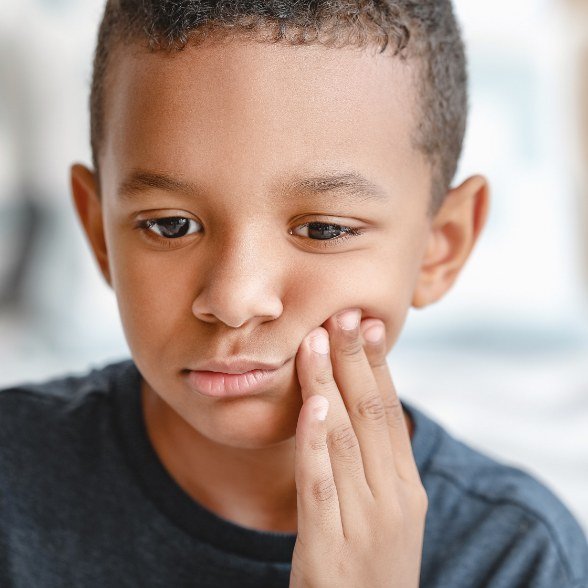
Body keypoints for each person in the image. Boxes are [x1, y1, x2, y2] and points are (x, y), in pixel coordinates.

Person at [1, 1, 587, 586]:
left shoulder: (519, 557)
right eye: (171, 225)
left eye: (323, 230)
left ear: (441, 246)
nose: (234, 299)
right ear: (99, 232)